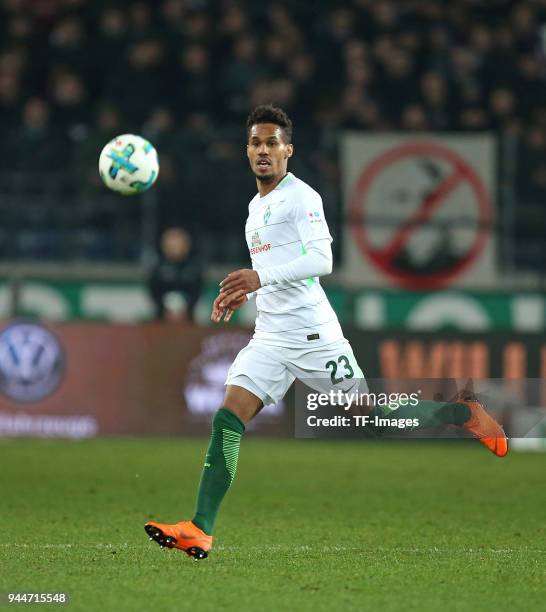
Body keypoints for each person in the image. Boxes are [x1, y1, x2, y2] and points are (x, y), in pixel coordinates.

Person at [144, 105, 508, 560]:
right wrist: (250, 293)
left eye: (272, 143)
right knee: (228, 417)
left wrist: (259, 279)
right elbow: (276, 271)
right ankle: (200, 529)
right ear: (247, 151)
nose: (263, 150)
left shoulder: (302, 198)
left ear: (288, 151)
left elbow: (322, 262)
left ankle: (463, 415)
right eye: (256, 142)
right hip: (271, 335)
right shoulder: (256, 207)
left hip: (313, 335)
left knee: (372, 418)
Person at [147, 227, 203, 322]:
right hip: (161, 321)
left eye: (178, 242)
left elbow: (197, 292)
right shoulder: (157, 269)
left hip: (187, 321)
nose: (175, 247)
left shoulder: (194, 269)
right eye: (172, 243)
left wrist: (186, 310)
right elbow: (154, 293)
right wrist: (164, 310)